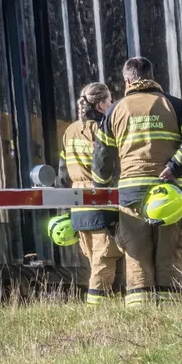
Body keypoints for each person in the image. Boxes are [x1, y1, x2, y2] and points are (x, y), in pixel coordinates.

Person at [92, 57, 182, 306]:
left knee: (137, 255)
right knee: (170, 253)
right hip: (170, 193)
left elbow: (102, 157)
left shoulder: (115, 110)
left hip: (131, 192)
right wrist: (175, 166)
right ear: (153, 75)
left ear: (127, 80)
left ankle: (141, 315)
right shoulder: (175, 105)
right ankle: (170, 311)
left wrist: (101, 188)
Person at [58, 82, 120, 305]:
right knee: (104, 260)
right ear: (102, 104)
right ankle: (97, 309)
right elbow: (109, 164)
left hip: (78, 205)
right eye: (111, 100)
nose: (112, 104)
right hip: (101, 203)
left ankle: (100, 306)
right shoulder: (104, 128)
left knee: (94, 260)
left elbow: (62, 174)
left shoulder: (70, 130)